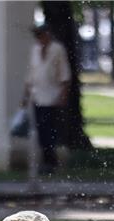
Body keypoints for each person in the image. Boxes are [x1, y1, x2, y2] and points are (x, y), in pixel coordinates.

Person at [21, 24, 71, 175]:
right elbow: (31, 74)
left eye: (41, 35)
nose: (39, 39)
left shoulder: (57, 49)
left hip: (52, 96)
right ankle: (46, 160)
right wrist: (26, 95)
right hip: (38, 96)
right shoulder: (35, 50)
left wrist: (63, 94)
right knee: (41, 130)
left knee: (49, 130)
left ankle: (51, 161)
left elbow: (64, 73)